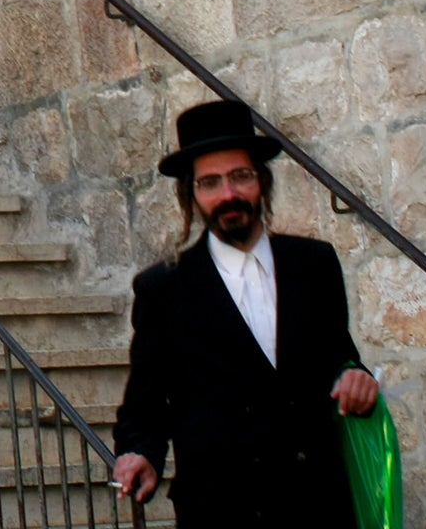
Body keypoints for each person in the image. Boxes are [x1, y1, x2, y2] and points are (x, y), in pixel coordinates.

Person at [111, 99, 381, 527]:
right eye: (211, 183)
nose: (229, 194)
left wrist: (356, 378)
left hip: (317, 504)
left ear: (262, 181)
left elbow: (339, 360)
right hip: (222, 510)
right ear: (192, 195)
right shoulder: (163, 289)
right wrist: (138, 453)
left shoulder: (314, 264)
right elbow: (144, 405)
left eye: (240, 177)